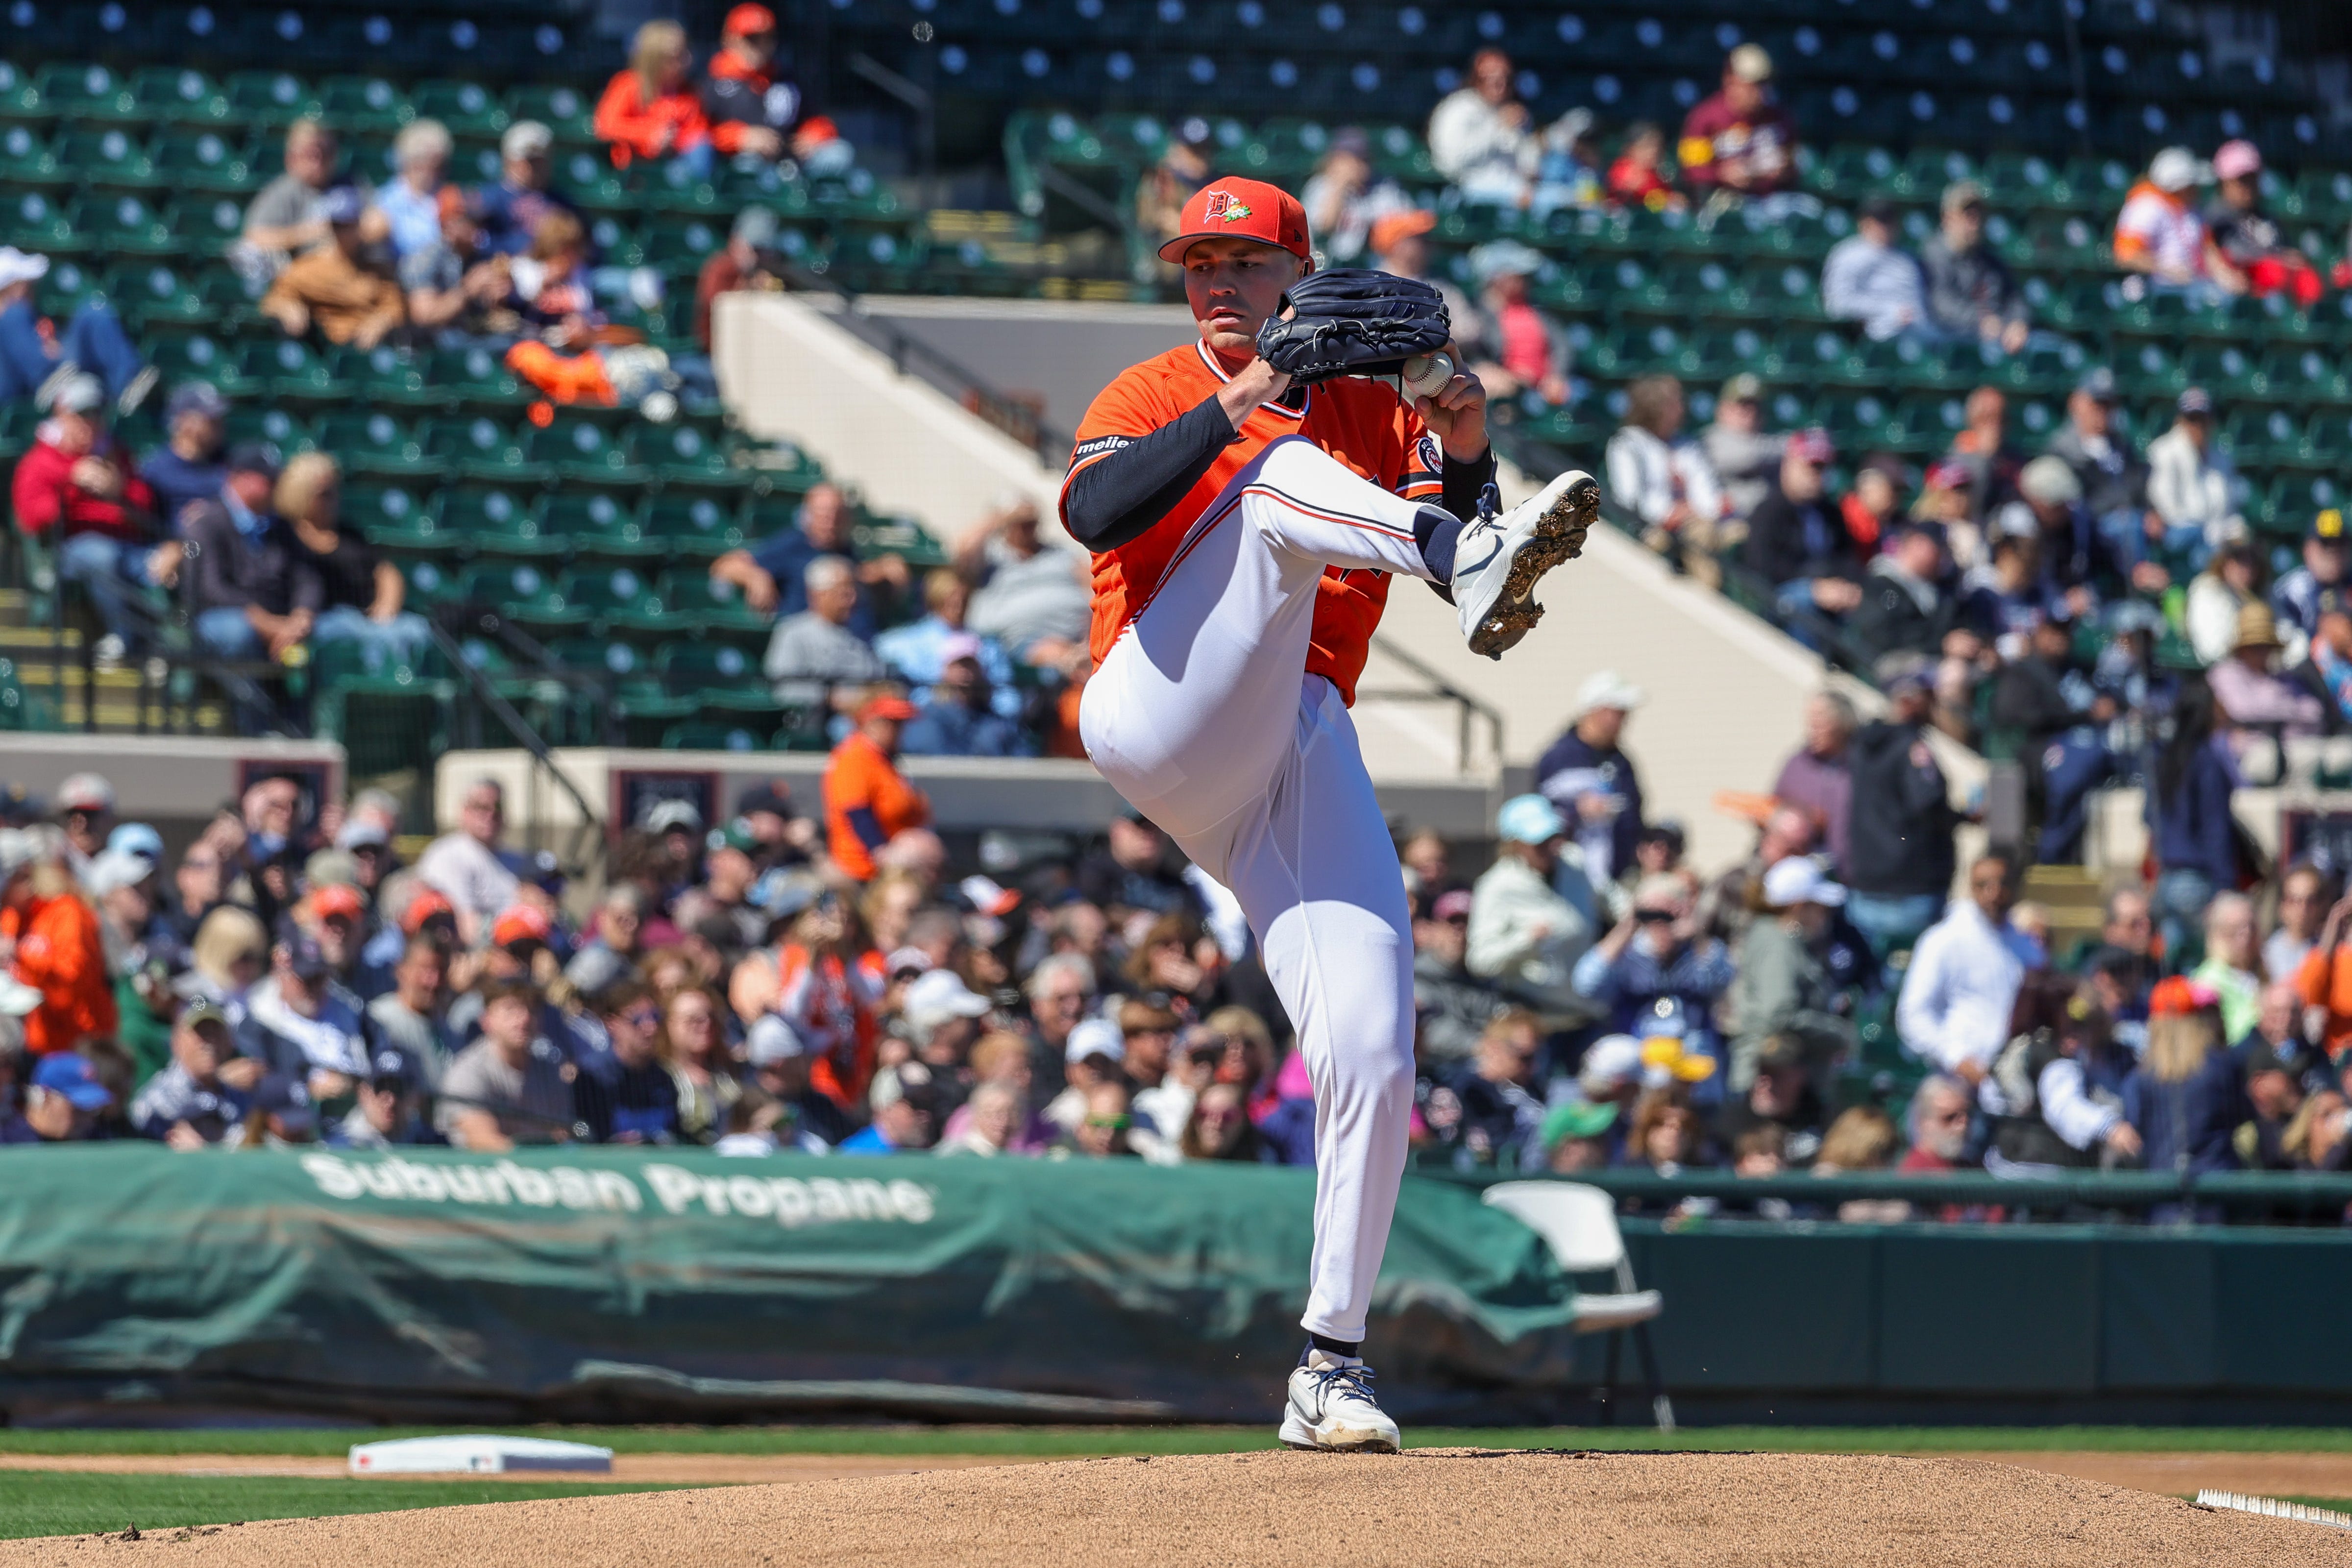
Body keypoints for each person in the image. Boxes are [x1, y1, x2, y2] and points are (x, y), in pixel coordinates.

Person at [1058, 174, 1594, 1453]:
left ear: (1300, 277)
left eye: (1244, 263)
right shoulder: (1151, 390)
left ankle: (1330, 1366)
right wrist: (1245, 403)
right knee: (1277, 485)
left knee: (1370, 1040)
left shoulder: (1365, 402)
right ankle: (1455, 567)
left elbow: (1465, 512)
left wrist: (1465, 443)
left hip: (1286, 748)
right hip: (1154, 702)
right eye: (1200, 263)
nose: (1218, 283)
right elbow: (1092, 510)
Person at [11, 371, 162, 664]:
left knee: (165, 563)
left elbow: (146, 504)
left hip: (127, 546)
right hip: (67, 550)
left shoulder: (116, 454)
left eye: (96, 413)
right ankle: (130, 643)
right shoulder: (40, 461)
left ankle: (171, 649)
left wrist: (119, 490)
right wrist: (72, 482)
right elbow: (32, 518)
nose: (91, 421)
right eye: (82, 414)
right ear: (62, 414)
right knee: (100, 554)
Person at [1843, 666, 1960, 956]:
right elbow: (1928, 803)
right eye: (1927, 696)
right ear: (1909, 701)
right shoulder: (1912, 746)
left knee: (1870, 982)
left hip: (1866, 882)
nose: (1933, 703)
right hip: (1911, 887)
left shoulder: (1860, 747)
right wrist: (1963, 817)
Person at [275, 452, 430, 668]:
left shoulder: (348, 533)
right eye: (324, 494)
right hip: (322, 620)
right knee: (358, 635)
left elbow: (385, 571)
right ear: (301, 492)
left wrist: (385, 609)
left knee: (417, 630)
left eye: (335, 491)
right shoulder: (284, 535)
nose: (333, 499)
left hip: (367, 619)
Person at [1728, 858, 1858, 1091]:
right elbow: (1780, 1014)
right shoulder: (1778, 944)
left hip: (1785, 1082)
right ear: (1798, 906)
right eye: (1820, 907)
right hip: (1769, 1083)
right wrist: (1841, 1034)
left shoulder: (1784, 940)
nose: (1825, 916)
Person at [1896, 855, 2024, 1091]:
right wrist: (1957, 1058)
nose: (1994, 894)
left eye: (2002, 884)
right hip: (1957, 1083)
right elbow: (1913, 1015)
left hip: (2015, 1081)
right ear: (1971, 888)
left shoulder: (2026, 945)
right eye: (1984, 885)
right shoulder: (1943, 940)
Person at [1465, 794, 1598, 1018]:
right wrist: (1527, 941)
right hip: (1532, 1015)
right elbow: (1480, 961)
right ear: (1515, 845)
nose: (1550, 847)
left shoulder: (1575, 863)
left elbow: (1610, 899)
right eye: (1539, 841)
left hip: (1586, 1008)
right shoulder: (1496, 886)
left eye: (1553, 837)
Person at [2146, 676, 2244, 963]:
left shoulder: (2163, 759)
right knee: (2205, 966)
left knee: (2173, 968)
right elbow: (2216, 828)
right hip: (2198, 882)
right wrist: (2227, 885)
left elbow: (2149, 821)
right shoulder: (2207, 761)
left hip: (2166, 879)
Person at [2124, 978, 2247, 1191]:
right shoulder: (2222, 1066)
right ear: (2196, 1019)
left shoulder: (2140, 1077)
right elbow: (2241, 1115)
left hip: (2163, 1191)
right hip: (2220, 1189)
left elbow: (2134, 1133)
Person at [712, 483, 890, 631]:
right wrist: (755, 576)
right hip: (808, 642)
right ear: (809, 515)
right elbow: (724, 566)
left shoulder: (849, 551)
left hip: (855, 642)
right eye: (824, 514)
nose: (831, 522)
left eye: (837, 515)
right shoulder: (791, 545)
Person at [701, 3, 847, 175]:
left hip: (789, 158)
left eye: (768, 37)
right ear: (729, 39)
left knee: (838, 153)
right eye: (752, 39)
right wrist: (740, 138)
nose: (761, 46)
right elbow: (699, 134)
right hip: (738, 166)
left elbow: (816, 118)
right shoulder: (713, 84)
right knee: (749, 164)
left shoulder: (785, 78)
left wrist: (814, 134)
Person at [1742, 429, 1862, 632]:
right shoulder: (1768, 511)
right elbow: (1763, 566)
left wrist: (1846, 587)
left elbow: (1846, 559)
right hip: (1778, 600)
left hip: (1826, 592)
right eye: (1811, 467)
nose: (1817, 475)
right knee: (1801, 604)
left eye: (1823, 468)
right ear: (1788, 465)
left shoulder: (1830, 512)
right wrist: (1814, 587)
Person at [1535, 671, 1646, 887]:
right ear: (1597, 712)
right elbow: (1540, 816)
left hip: (1613, 884)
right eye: (1618, 713)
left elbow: (1635, 817)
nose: (1624, 721)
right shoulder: (1560, 758)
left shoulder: (1622, 763)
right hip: (1568, 883)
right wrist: (1578, 811)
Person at [258, 187, 405, 350]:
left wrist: (381, 321)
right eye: (337, 225)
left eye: (347, 225)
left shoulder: (375, 268)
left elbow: (394, 306)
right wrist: (287, 308)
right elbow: (273, 300)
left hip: (363, 347)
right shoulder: (310, 267)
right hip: (322, 347)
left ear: (358, 225)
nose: (341, 232)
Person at [436, 978, 573, 1149]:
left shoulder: (549, 1070)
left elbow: (562, 1134)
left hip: (542, 1169)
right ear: (486, 1020)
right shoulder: (468, 1073)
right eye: (511, 1009)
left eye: (532, 1009)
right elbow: (483, 1142)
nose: (524, 1019)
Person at [1605, 374, 1727, 564]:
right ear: (1654, 407)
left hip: (1696, 523)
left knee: (1729, 532)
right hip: (1651, 527)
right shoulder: (1628, 444)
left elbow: (1709, 493)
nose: (1681, 410)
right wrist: (1668, 514)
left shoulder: (1688, 445)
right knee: (1696, 540)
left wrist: (1694, 511)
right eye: (1673, 404)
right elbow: (1628, 499)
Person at [822, 693, 932, 882]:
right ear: (871, 722)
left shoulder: (884, 759)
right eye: (892, 724)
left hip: (893, 869)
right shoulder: (855, 757)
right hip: (864, 873)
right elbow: (857, 813)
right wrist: (883, 854)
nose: (899, 731)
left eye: (900, 725)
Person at [2113, 147, 2241, 305]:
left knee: (2229, 299)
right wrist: (2167, 269)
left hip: (2190, 286)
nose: (2197, 188)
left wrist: (2227, 277)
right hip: (2152, 289)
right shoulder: (2147, 206)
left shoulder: (2192, 210)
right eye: (2191, 184)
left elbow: (2208, 251)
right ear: (2178, 185)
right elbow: (2125, 255)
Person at [128, 998, 264, 1146]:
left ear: (229, 1041)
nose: (210, 1042)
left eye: (216, 1031)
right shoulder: (158, 1100)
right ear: (177, 1041)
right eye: (201, 1033)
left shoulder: (240, 1096)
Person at [2206, 139, 2322, 310]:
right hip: (2240, 286)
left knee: (2306, 277)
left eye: (2253, 179)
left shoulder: (2265, 216)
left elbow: (2282, 247)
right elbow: (2234, 253)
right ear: (2224, 182)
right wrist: (2279, 258)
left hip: (2274, 288)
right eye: (2242, 180)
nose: (2249, 186)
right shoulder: (2218, 217)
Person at [2046, 368, 2151, 555]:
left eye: (2109, 404)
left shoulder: (2121, 446)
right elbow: (2076, 499)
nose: (2103, 410)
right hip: (2093, 526)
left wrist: (2151, 512)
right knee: (2127, 527)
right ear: (2076, 403)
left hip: (2133, 519)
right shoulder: (2062, 449)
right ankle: (2138, 579)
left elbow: (2139, 485)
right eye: (2097, 403)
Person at [1919, 180, 2031, 355]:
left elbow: (2014, 298)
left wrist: (2018, 323)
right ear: (1947, 218)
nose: (1975, 222)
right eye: (1968, 215)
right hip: (1955, 339)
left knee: (2057, 349)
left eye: (1980, 214)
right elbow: (1941, 305)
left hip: (1998, 336)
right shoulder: (1933, 255)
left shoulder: (1990, 258)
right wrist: (1980, 320)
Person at [236, 120, 352, 288]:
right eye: (311, 154)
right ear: (291, 158)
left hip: (345, 272)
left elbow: (376, 222)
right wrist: (308, 233)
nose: (318, 162)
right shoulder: (283, 191)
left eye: (326, 153)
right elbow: (254, 236)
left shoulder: (350, 185)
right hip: (300, 274)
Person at [763, 556, 887, 707]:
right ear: (818, 595)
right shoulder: (793, 632)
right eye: (844, 593)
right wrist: (830, 698)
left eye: (854, 591)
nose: (852, 599)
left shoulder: (859, 635)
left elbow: (877, 677)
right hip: (819, 720)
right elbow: (784, 689)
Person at [593, 19, 712, 174]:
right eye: (677, 56)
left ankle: (697, 196)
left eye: (687, 52)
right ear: (655, 60)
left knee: (702, 149)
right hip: (634, 167)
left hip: (675, 163)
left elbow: (698, 131)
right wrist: (649, 134)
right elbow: (605, 126)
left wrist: (672, 140)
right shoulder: (628, 84)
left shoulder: (689, 92)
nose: (687, 61)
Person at [416, 778, 524, 942]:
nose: (491, 814)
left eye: (497, 807)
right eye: (481, 807)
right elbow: (466, 928)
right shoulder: (449, 855)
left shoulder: (515, 859)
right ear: (464, 811)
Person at [1848, 520, 1963, 668]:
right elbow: (1886, 633)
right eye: (1935, 548)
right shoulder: (1882, 583)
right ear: (1916, 542)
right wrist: (1941, 643)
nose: (1941, 556)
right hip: (1881, 663)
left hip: (1924, 662)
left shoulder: (1940, 594)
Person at [2145, 388, 2244, 559]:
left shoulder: (2222, 457)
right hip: (2181, 535)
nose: (2198, 426)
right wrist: (2211, 532)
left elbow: (2229, 508)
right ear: (2181, 421)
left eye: (2203, 419)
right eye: (2192, 419)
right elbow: (2168, 510)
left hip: (2214, 535)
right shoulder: (2163, 451)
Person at [471, 120, 584, 259]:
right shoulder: (489, 198)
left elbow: (587, 249)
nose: (534, 168)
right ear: (509, 160)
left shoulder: (562, 203)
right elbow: (478, 243)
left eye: (540, 160)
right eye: (528, 160)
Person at [899, 636, 1027, 758]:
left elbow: (1023, 761)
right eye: (958, 665)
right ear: (945, 670)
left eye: (971, 665)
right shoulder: (928, 718)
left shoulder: (996, 723)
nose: (965, 672)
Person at [1822, 198, 1928, 343]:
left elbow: (1919, 301)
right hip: (1873, 331)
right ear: (1864, 223)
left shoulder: (1907, 257)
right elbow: (1837, 303)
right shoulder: (1848, 254)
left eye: (1891, 220)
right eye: (1881, 220)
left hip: (1918, 330)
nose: (1887, 226)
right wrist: (1890, 311)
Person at [1775, 691, 1858, 876]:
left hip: (1855, 876)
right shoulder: (1797, 764)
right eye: (1811, 721)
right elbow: (1774, 806)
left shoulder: (1862, 766)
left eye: (1821, 720)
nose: (1814, 727)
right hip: (1800, 872)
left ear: (1842, 724)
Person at [1300, 128, 1408, 265]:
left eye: (1364, 159)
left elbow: (1401, 231)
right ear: (1335, 160)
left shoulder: (1383, 187)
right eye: (1352, 158)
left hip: (1371, 268)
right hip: (1327, 266)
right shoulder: (1319, 187)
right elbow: (1323, 229)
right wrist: (1340, 187)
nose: (1359, 165)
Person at [694, 205, 789, 349]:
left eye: (765, 250)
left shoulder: (771, 269)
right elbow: (715, 308)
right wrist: (748, 287)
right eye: (755, 248)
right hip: (714, 353)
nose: (759, 256)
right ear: (736, 241)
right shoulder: (720, 268)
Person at [140, 382, 228, 528]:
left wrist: (214, 511)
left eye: (220, 420)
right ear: (184, 421)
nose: (219, 426)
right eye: (211, 420)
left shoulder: (230, 462)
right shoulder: (156, 469)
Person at [2274, 507, 2352, 669]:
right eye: (2325, 543)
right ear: (2308, 549)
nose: (2333, 551)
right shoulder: (2290, 592)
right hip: (2305, 676)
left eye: (2340, 543)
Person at [1701, 373, 1785, 522]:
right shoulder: (1711, 438)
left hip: (1769, 522)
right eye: (1742, 404)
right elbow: (1746, 457)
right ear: (1723, 409)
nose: (1749, 412)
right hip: (1729, 522)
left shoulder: (1766, 439)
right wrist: (1787, 447)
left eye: (1754, 405)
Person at [374, 119, 453, 262]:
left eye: (441, 167)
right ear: (411, 163)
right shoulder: (386, 200)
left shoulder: (448, 197)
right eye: (432, 166)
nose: (438, 174)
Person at [2186, 533, 2267, 668]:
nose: (2247, 568)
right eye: (2240, 560)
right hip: (2221, 673)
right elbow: (2213, 650)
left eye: (2252, 561)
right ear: (2225, 562)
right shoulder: (2209, 590)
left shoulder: (2259, 593)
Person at [1606, 121, 1683, 213]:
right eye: (1647, 146)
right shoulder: (1621, 170)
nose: (1654, 152)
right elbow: (1621, 191)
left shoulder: (1657, 176)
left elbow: (1667, 199)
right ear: (1630, 149)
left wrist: (1674, 200)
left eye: (1658, 147)